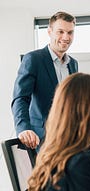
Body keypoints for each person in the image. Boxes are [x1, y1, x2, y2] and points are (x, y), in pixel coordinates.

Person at [11, 11, 78, 149]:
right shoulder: (33, 59)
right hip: (42, 140)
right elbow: (21, 98)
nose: (66, 37)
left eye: (70, 32)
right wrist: (23, 128)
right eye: (60, 31)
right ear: (49, 32)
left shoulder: (73, 64)